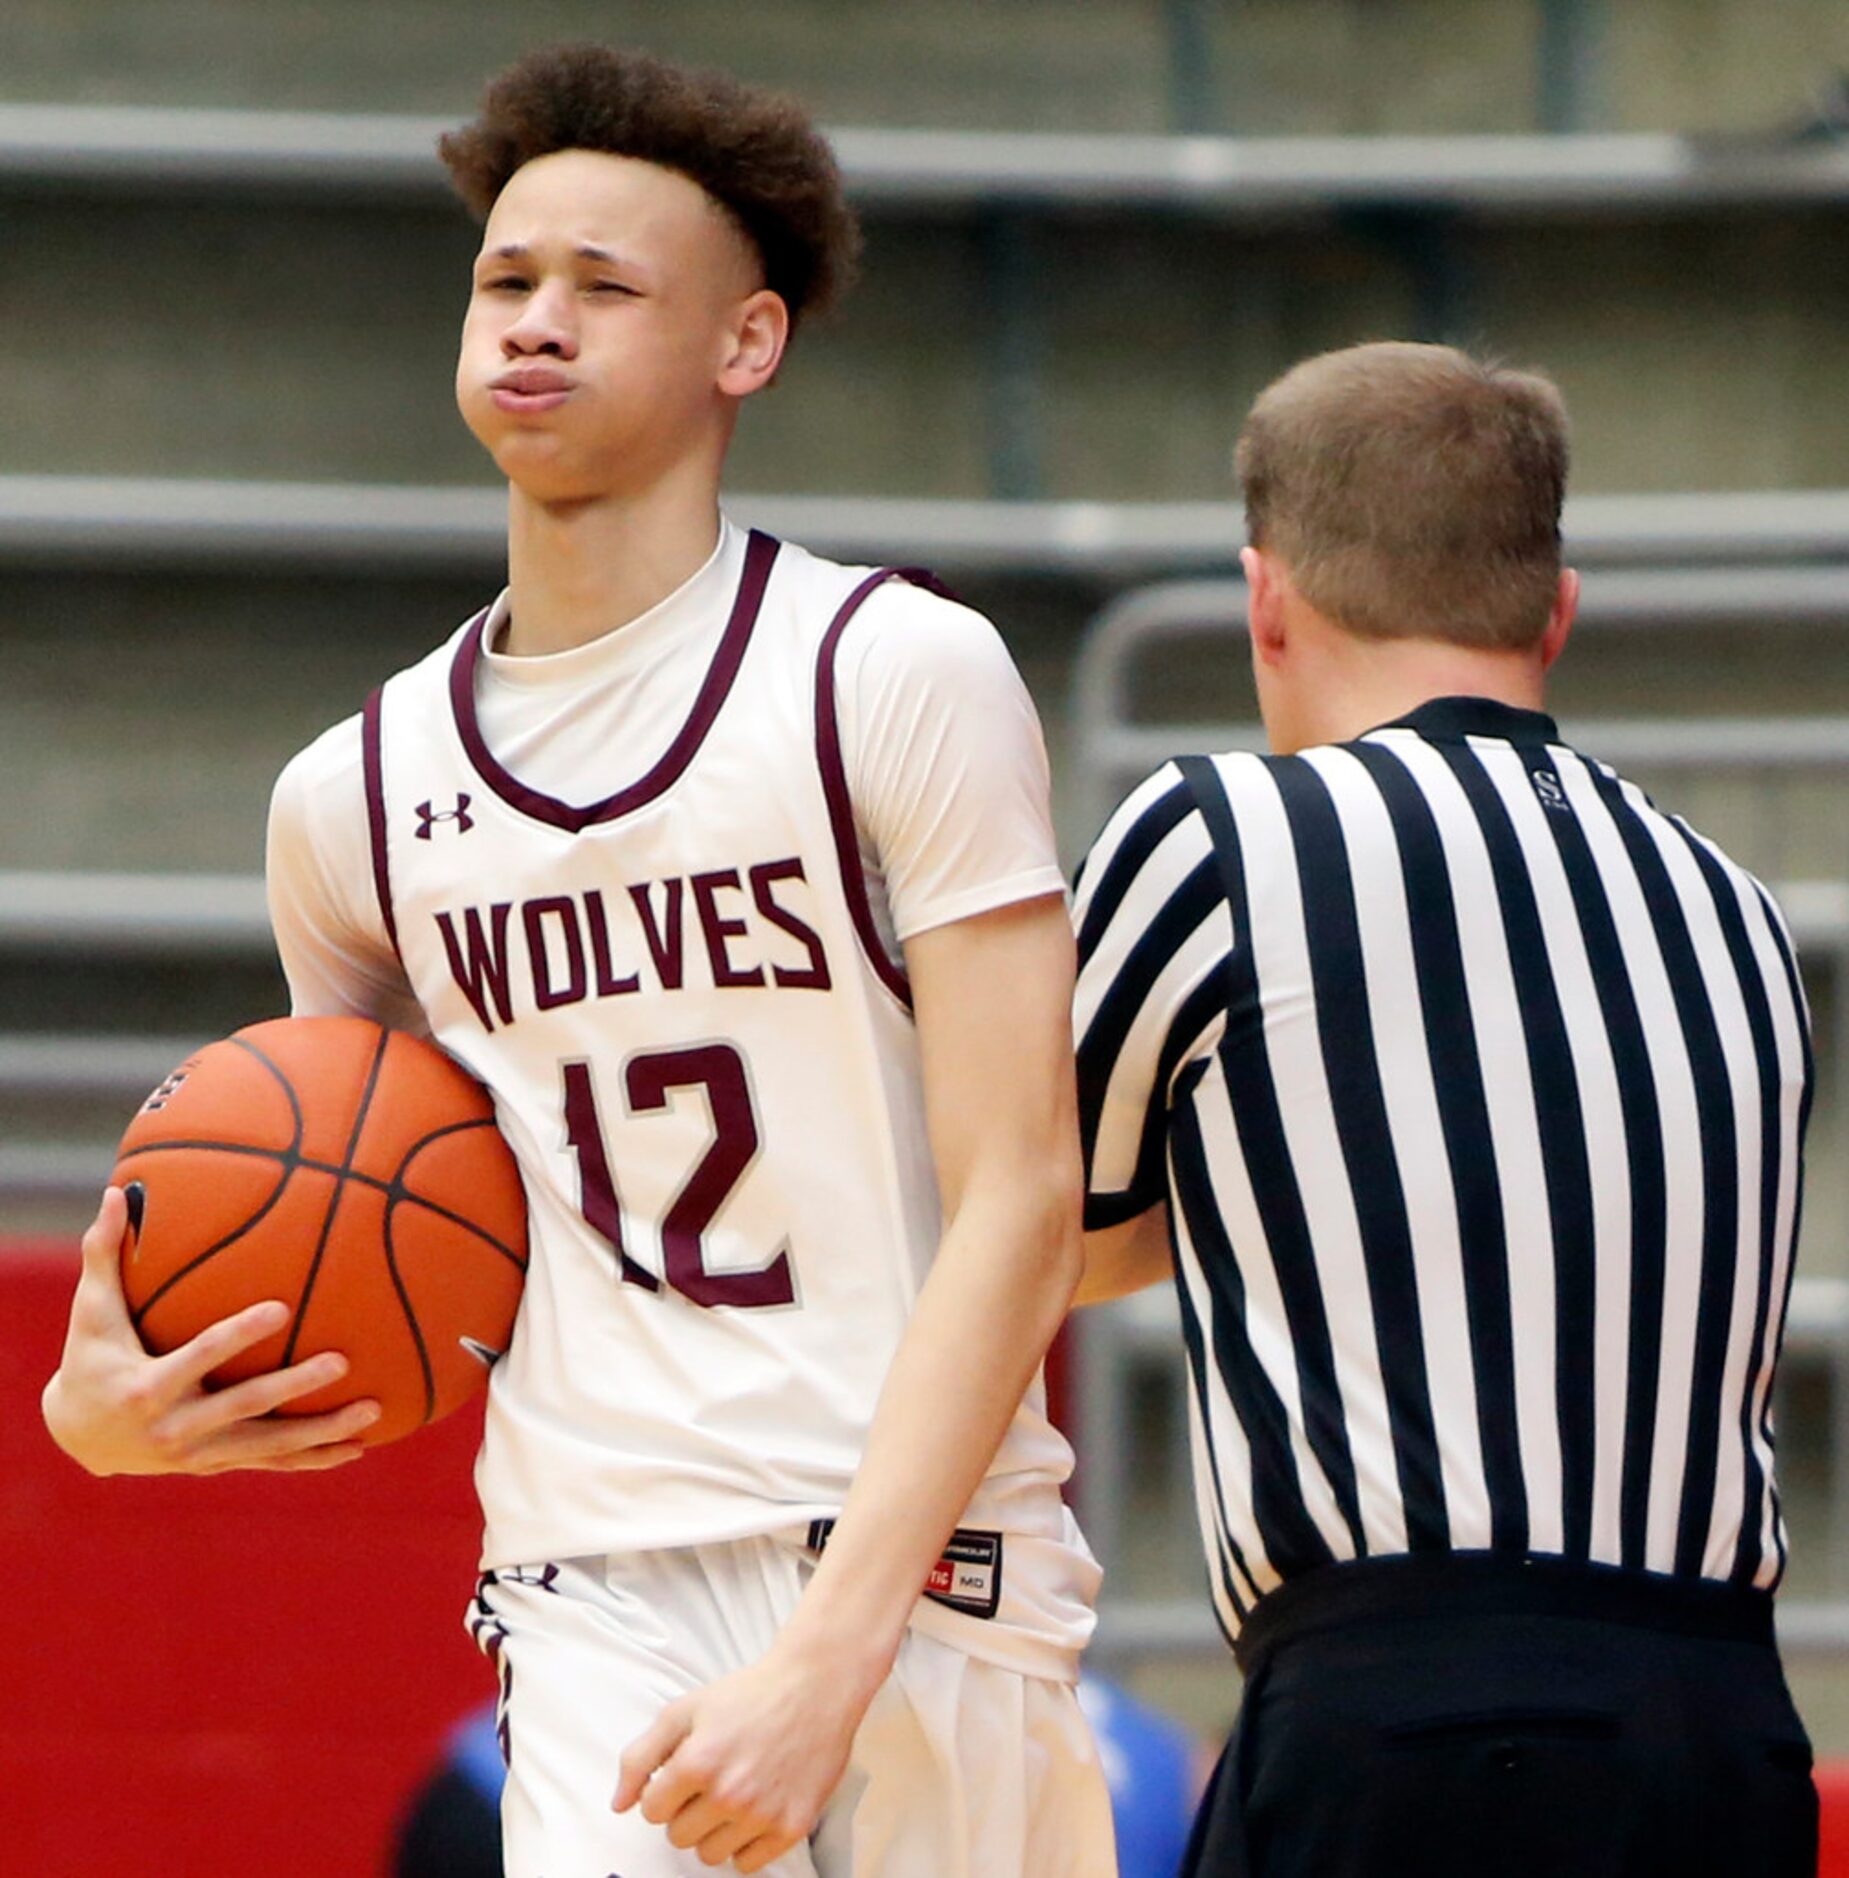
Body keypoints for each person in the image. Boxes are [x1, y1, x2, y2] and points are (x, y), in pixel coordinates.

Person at [42, 44, 1115, 1878]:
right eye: (505, 280)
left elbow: (1022, 1186)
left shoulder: (891, 672)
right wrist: (105, 1404)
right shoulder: (352, 797)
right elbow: (319, 1180)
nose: (536, 322)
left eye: (603, 288)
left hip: (927, 1574)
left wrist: (830, 1654)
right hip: (591, 1580)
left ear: (744, 346)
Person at [1071, 341, 1817, 1877]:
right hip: (1726, 1727)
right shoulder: (1735, 905)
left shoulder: (1218, 832)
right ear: (1554, 609)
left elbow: (1036, 1226)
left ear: (1263, 595)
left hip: (1409, 1710)